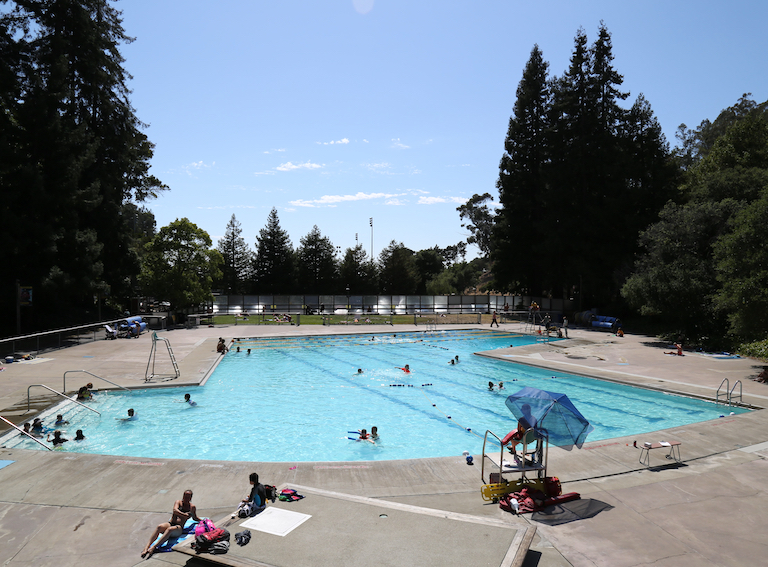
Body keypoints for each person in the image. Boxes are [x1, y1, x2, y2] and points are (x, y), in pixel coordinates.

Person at [141, 490, 200, 559]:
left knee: (170, 529)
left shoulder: (192, 507)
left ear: (190, 498)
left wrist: (204, 521)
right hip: (171, 523)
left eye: (188, 497)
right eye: (185, 496)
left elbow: (195, 518)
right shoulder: (178, 502)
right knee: (159, 526)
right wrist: (184, 515)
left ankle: (153, 547)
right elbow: (175, 510)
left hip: (179, 528)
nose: (186, 498)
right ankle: (146, 548)